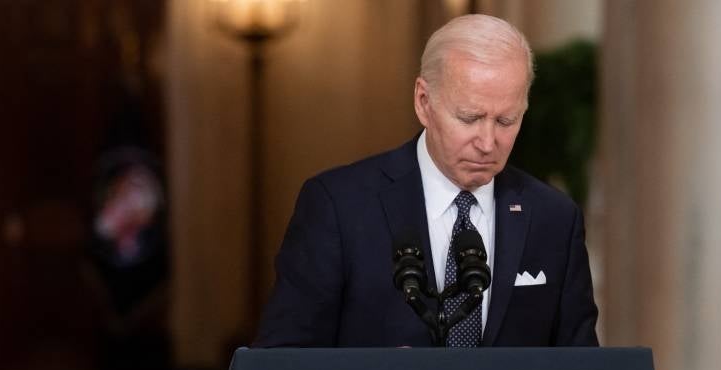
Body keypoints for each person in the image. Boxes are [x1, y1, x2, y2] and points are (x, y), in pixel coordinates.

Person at [254, 14, 598, 348]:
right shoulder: (339, 208)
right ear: (423, 102)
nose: (488, 142)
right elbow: (284, 363)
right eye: (470, 118)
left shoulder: (554, 220)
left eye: (506, 121)